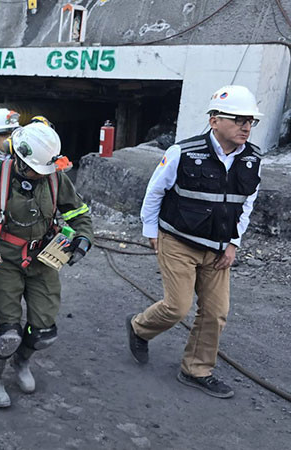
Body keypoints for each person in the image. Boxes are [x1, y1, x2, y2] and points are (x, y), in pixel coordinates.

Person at [127, 85, 263, 399]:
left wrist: (234, 243)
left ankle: (196, 369)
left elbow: (246, 204)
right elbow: (155, 191)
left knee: (216, 312)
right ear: (214, 120)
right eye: (238, 119)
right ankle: (138, 327)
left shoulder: (253, 159)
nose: (246, 127)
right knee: (177, 306)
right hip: (178, 240)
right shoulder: (183, 152)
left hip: (218, 247)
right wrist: (150, 231)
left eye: (250, 121)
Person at [0, 121, 92, 408]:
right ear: (21, 161)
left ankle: (21, 361)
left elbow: (78, 213)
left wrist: (83, 237)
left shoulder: (55, 179)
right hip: (4, 260)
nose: (42, 174)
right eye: (37, 169)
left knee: (44, 330)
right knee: (6, 332)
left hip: (43, 259)